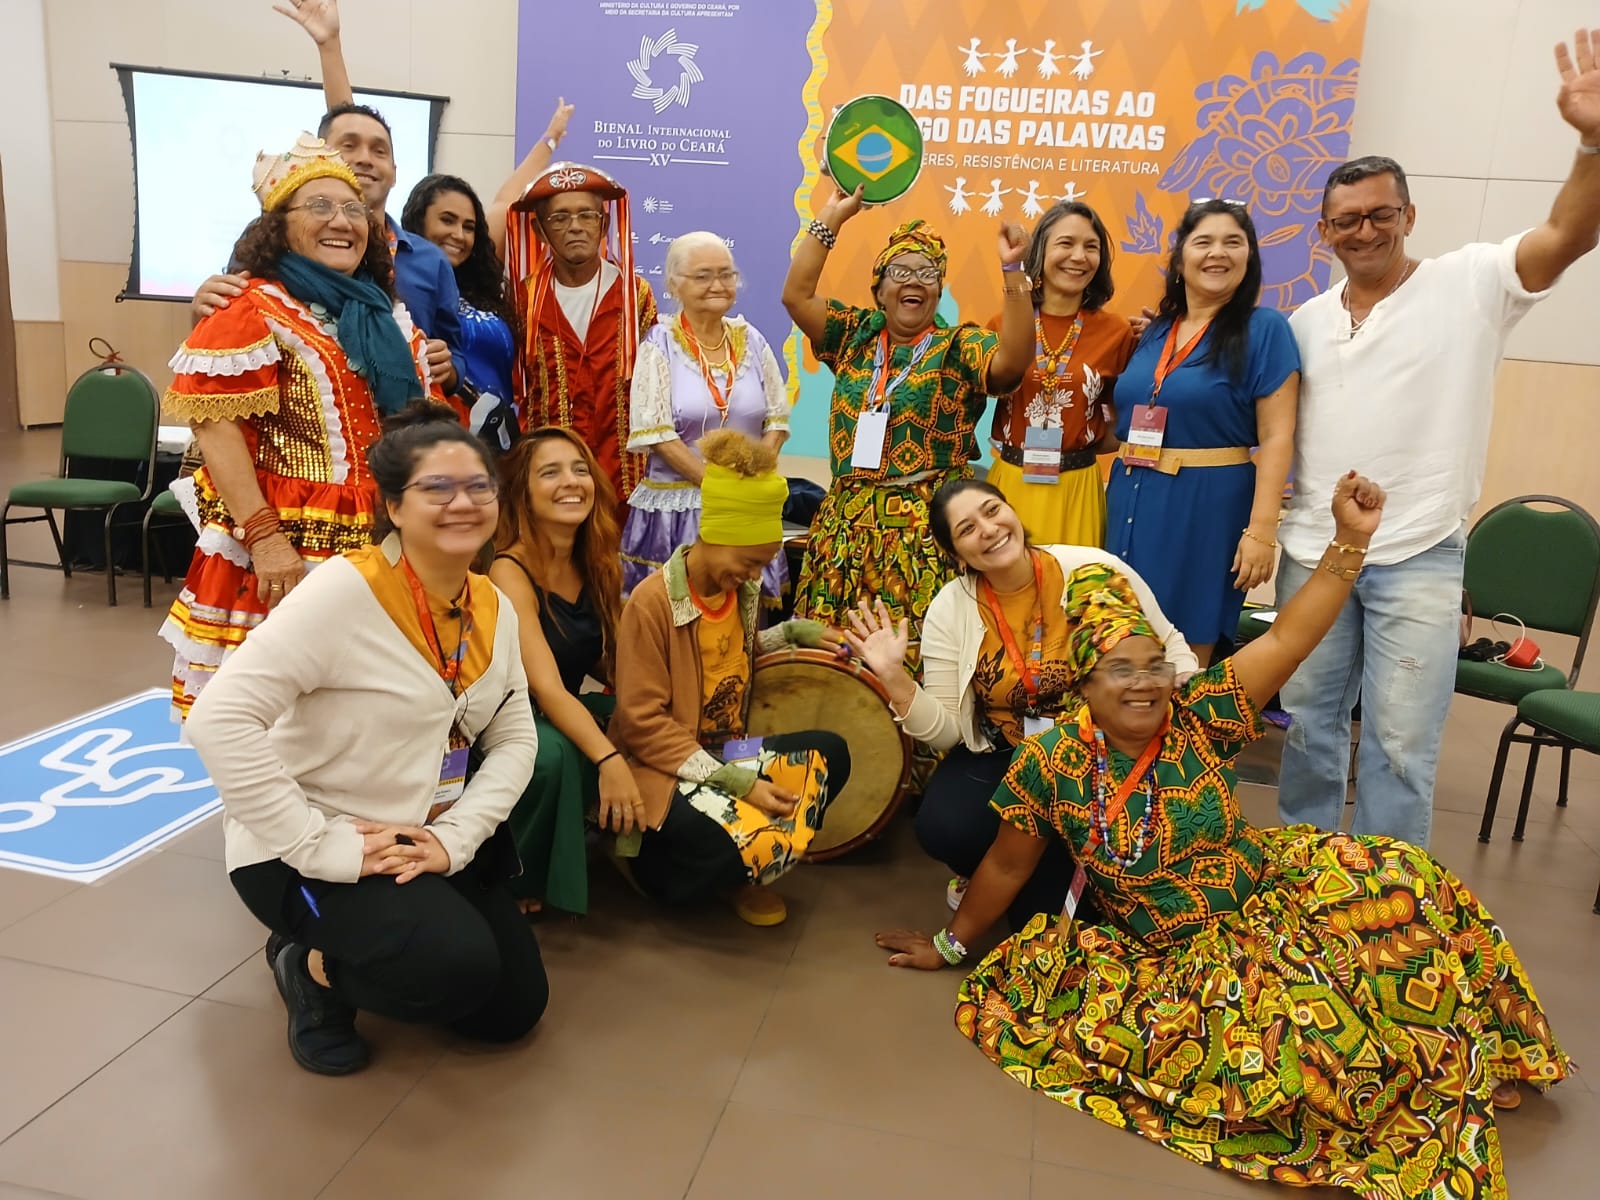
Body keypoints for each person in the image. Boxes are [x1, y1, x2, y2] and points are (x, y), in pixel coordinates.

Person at [877, 471, 1570, 1198]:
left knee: (1410, 883)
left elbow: (1293, 636)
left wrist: (1349, 541)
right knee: (1311, 1031)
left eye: (1153, 664)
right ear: (1083, 685)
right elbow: (1007, 868)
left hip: (1274, 887)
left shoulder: (1203, 712)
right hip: (1188, 954)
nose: (1144, 683)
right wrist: (950, 946)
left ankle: (1472, 1050)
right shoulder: (1052, 765)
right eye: (1118, 670)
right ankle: (1423, 1074)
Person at [1276, 29, 1600, 848]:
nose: (1364, 230)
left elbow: (1566, 235)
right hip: (1312, 552)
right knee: (1308, 732)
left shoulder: (1472, 282)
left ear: (1409, 215)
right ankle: (1301, 884)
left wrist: (1593, 144)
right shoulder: (1304, 322)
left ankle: (1388, 897)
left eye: (1380, 214)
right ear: (1324, 232)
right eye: (1345, 220)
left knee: (1400, 747)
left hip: (1419, 553)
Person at [186, 404, 547, 1076]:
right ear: (394, 506)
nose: (463, 502)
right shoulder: (344, 591)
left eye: (479, 486)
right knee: (455, 967)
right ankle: (310, 968)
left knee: (510, 1011)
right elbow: (218, 719)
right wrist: (317, 845)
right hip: (307, 850)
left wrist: (456, 837)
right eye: (437, 488)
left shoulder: (491, 604)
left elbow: (515, 734)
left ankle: (381, 940)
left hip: (421, 838)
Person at [160, 133, 441, 720]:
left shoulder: (385, 314)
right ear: (278, 227)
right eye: (319, 206)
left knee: (368, 713)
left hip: (386, 537)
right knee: (277, 717)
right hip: (291, 547)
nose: (341, 221)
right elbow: (216, 429)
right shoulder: (249, 307)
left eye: (353, 209)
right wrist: (265, 539)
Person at [844, 477, 1198, 928]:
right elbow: (947, 732)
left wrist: (1181, 691)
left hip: (1105, 749)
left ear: (1012, 511)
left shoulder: (1093, 568)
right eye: (967, 529)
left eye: (992, 511)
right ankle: (1009, 871)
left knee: (1086, 913)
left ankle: (1059, 874)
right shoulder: (950, 609)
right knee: (946, 827)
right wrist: (894, 678)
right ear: (956, 555)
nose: (988, 529)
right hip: (1011, 752)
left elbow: (1171, 644)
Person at [780, 189, 1033, 678]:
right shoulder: (853, 336)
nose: (914, 280)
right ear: (879, 288)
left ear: (938, 292)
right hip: (844, 533)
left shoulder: (958, 345)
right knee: (832, 666)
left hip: (926, 537)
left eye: (927, 273)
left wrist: (1013, 273)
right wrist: (831, 219)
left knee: (918, 666)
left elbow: (1013, 361)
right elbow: (796, 296)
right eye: (900, 271)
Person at [610, 430, 853, 927]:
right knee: (725, 841)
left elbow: (729, 659)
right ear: (716, 537)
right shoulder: (651, 604)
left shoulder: (739, 593)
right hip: (667, 767)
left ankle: (749, 857)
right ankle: (660, 868)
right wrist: (739, 784)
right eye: (750, 562)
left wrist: (792, 633)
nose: (755, 575)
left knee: (830, 754)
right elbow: (641, 724)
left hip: (730, 751)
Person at [196, 0, 464, 392]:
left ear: (395, 171)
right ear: (324, 158)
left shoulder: (429, 260)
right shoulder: (271, 245)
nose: (364, 159)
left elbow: (456, 353)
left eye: (379, 151)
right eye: (348, 147)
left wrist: (449, 367)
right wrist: (205, 310)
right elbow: (228, 339)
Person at [1103, 199, 1299, 667]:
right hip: (1131, 495)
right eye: (1203, 242)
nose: (1218, 253)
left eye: (1233, 242)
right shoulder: (1156, 331)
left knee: (1183, 656)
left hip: (1205, 508)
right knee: (1120, 643)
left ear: (1250, 257)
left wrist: (1262, 531)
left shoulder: (1264, 329)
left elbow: (1277, 436)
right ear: (1179, 258)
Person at [488, 428, 632, 917]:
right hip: (512, 715)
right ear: (522, 492)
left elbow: (599, 659)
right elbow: (546, 687)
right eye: (550, 472)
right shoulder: (508, 570)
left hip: (562, 704)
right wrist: (610, 758)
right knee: (552, 754)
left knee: (641, 715)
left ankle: (634, 840)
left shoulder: (596, 561)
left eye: (580, 469)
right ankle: (513, 875)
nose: (571, 482)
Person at [621, 232, 791, 607]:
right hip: (680, 513)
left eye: (726, 274)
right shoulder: (658, 344)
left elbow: (776, 421)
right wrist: (717, 487)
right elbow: (658, 434)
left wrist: (750, 480)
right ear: (674, 284)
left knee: (741, 621)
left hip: (746, 507)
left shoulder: (752, 339)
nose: (718, 285)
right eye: (703, 276)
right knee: (680, 616)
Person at [505, 161, 659, 506]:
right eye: (560, 218)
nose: (575, 226)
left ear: (604, 224)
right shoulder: (523, 299)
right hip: (550, 481)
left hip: (623, 479)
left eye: (587, 215)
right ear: (540, 230)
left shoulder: (635, 296)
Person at [985, 201, 1135, 546]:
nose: (1079, 257)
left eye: (1091, 247)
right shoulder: (1002, 324)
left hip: (1078, 489)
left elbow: (1120, 413)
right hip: (1012, 482)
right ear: (1040, 251)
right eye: (1066, 243)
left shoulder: (1117, 332)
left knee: (1075, 578)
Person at [400, 173, 519, 442]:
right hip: (440, 437)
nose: (459, 235)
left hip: (502, 441)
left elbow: (506, 204)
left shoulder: (484, 291)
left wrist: (551, 147)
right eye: (447, 220)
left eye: (469, 227)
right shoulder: (400, 285)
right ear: (419, 220)